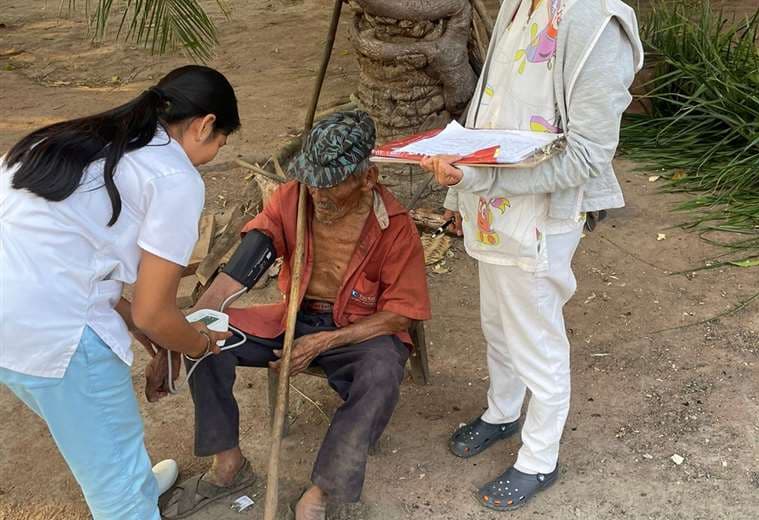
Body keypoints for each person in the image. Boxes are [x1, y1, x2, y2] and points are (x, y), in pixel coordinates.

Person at [420, 0, 643, 511]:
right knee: (498, 323)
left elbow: (587, 154)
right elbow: (487, 105)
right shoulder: (518, 5)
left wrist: (482, 179)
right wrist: (461, 195)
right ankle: (502, 412)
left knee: (537, 340)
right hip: (490, 207)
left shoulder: (598, 24)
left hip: (541, 216)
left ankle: (539, 459)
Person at [155, 111, 431, 520]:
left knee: (382, 372)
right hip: (290, 319)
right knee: (202, 339)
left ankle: (322, 493)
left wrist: (324, 341)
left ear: (367, 178)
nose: (318, 195)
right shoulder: (295, 197)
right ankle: (229, 466)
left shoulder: (394, 228)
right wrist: (200, 313)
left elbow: (401, 316)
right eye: (313, 181)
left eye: (331, 184)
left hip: (356, 333)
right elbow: (254, 250)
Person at [0, 65, 240, 519]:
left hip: (11, 321)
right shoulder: (174, 177)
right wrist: (199, 343)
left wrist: (125, 311)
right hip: (59, 335)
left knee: (86, 430)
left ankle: (133, 479)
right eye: (220, 142)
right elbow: (156, 314)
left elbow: (53, 246)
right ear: (205, 124)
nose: (211, 155)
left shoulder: (63, 138)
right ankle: (130, 496)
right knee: (116, 485)